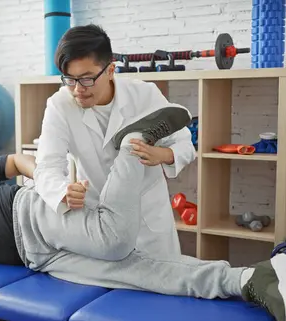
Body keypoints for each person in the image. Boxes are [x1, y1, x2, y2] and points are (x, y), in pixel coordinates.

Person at [0, 107, 286, 321]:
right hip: (41, 261)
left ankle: (132, 143)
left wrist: (47, 183)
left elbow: (19, 161)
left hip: (32, 214)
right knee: (140, 273)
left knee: (116, 244)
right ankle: (247, 280)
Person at [33, 24, 197, 260]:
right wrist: (62, 192)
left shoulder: (144, 94)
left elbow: (185, 144)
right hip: (97, 221)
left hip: (147, 222)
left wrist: (161, 155)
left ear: (110, 70)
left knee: (160, 288)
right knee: (106, 290)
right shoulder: (59, 105)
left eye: (87, 79)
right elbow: (47, 165)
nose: (78, 89)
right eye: (70, 79)